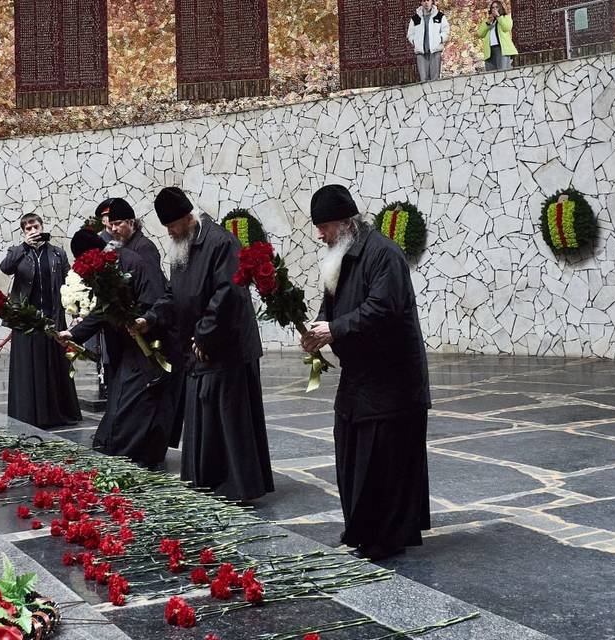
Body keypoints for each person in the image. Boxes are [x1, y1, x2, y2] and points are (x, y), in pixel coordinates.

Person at [299, 185, 430, 561]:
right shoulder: (340, 255)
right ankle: (362, 529)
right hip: (360, 377)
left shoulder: (383, 254)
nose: (319, 234)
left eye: (323, 226)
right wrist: (318, 328)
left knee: (383, 460)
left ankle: (385, 538)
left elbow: (382, 308)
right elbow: (331, 305)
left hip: (391, 380)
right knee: (352, 452)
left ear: (344, 223)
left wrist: (335, 330)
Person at [133, 187, 274, 502]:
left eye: (172, 226)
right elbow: (174, 293)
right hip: (199, 348)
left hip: (227, 347)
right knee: (205, 417)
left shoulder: (221, 242)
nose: (169, 232)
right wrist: (151, 318)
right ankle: (208, 478)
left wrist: (205, 334)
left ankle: (236, 484)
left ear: (187, 217)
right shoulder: (182, 245)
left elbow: (229, 294)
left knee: (228, 417)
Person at [58, 229, 178, 469]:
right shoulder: (107, 268)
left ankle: (136, 454)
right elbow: (104, 309)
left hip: (150, 343)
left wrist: (145, 321)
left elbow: (157, 299)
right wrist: (74, 334)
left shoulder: (133, 261)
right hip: (130, 346)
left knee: (136, 404)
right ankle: (126, 451)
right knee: (125, 404)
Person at [0, 213, 82, 428]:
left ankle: (58, 413)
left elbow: (69, 283)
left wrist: (76, 313)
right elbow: (5, 267)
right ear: (24, 232)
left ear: (42, 226)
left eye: (35, 226)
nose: (33, 231)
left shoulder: (57, 253)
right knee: (29, 367)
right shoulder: (18, 252)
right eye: (28, 229)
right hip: (26, 320)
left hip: (53, 317)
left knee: (54, 366)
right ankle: (28, 414)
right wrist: (23, 247)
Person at [97, 197, 165, 277]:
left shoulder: (144, 247)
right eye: (112, 224)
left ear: (131, 223)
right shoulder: (123, 244)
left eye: (118, 223)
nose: (113, 229)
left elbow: (153, 284)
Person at [407, 0, 449, 82]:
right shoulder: (415, 18)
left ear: (432, 2)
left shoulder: (439, 16)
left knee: (435, 79)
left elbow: (446, 31)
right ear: (421, 3)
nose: (426, 3)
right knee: (424, 79)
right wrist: (415, 42)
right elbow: (410, 34)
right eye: (423, 1)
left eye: (428, 0)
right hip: (421, 53)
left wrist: (440, 39)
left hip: (435, 51)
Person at [478, 1, 517, 71]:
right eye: (492, 7)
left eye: (496, 7)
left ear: (500, 8)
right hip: (490, 50)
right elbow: (480, 34)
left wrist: (499, 17)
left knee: (502, 72)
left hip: (501, 49)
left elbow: (506, 28)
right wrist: (488, 23)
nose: (494, 9)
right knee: (491, 74)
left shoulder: (505, 17)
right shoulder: (487, 20)